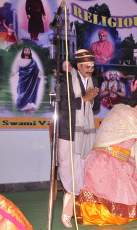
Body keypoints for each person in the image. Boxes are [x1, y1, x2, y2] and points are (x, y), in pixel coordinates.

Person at [76, 87, 137, 226]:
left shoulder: (121, 109)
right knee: (119, 216)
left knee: (125, 205)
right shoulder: (131, 115)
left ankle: (76, 208)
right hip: (108, 164)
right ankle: (77, 207)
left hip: (102, 161)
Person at [57, 49, 100, 228]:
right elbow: (62, 105)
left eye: (92, 66)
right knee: (69, 172)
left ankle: (77, 212)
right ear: (78, 66)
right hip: (69, 134)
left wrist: (91, 100)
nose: (90, 69)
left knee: (84, 171)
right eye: (87, 66)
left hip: (86, 135)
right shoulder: (65, 79)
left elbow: (94, 106)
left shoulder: (94, 80)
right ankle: (67, 212)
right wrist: (84, 98)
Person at [11, 47, 43, 113]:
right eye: (25, 50)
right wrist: (13, 72)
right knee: (21, 92)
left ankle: (29, 106)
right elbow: (16, 68)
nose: (27, 51)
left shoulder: (33, 61)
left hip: (30, 80)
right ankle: (22, 106)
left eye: (28, 50)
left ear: (30, 52)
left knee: (30, 91)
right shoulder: (19, 61)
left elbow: (37, 69)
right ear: (23, 52)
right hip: (22, 80)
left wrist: (40, 73)